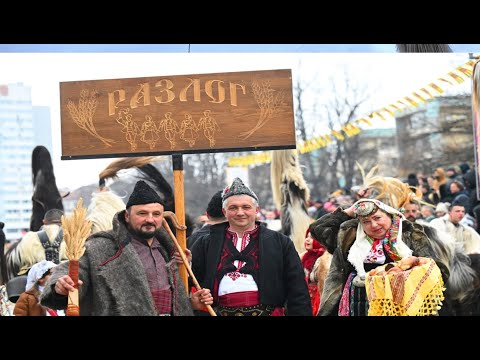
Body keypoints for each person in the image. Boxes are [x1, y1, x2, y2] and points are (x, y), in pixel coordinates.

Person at [41, 180, 213, 316]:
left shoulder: (170, 249)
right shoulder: (101, 246)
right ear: (127, 216)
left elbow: (169, 297)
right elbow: (70, 270)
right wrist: (60, 285)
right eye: (142, 213)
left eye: (156, 214)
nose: (150, 219)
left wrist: (190, 302)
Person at [191, 177, 312, 316]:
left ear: (257, 210)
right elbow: (192, 282)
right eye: (233, 208)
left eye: (246, 207)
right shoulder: (205, 243)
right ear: (224, 212)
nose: (240, 212)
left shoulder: (280, 242)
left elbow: (297, 288)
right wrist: (186, 263)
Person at [309, 198, 449, 316]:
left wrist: (405, 275)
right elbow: (317, 229)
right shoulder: (349, 236)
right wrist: (349, 211)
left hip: (401, 305)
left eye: (377, 218)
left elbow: (438, 270)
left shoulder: (409, 234)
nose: (374, 225)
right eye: (366, 221)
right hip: (355, 305)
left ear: (390, 215)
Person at [15, 209, 66, 276]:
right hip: (66, 281)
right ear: (64, 221)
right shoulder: (74, 238)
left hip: (35, 282)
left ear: (44, 222)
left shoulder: (28, 238)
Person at [300, 229, 326, 315]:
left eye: (311, 237)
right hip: (304, 299)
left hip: (318, 299)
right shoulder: (304, 256)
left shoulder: (324, 259)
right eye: (307, 237)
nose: (307, 240)